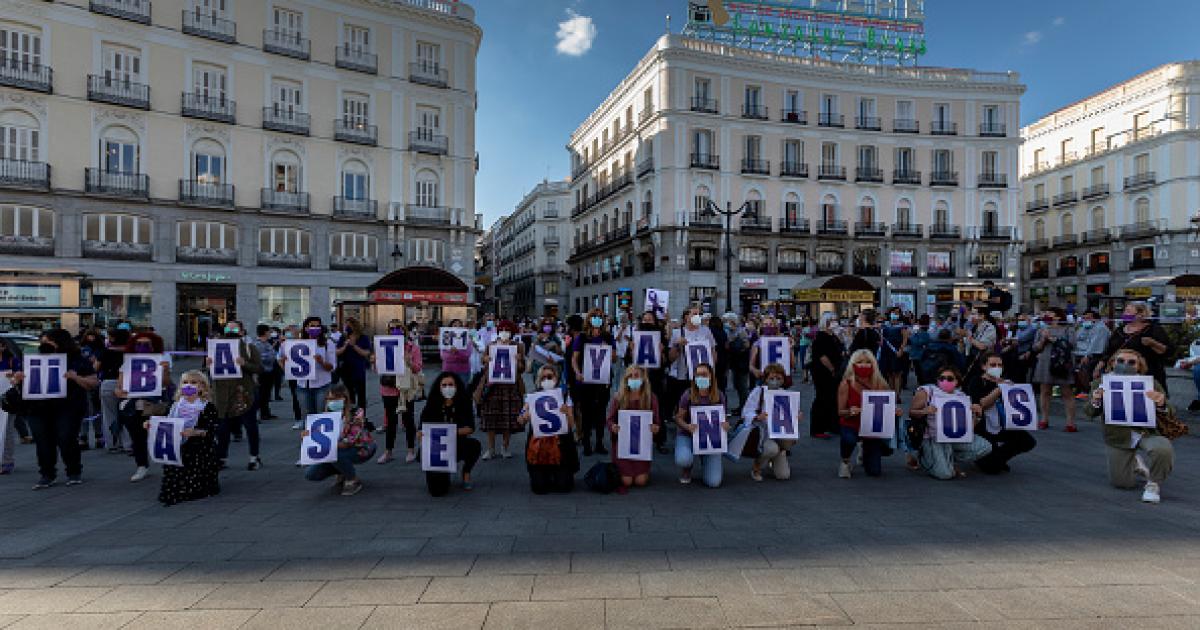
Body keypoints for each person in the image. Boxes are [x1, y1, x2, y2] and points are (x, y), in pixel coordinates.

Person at [1, 329, 98, 489]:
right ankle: (47, 474)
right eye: (42, 342)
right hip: (37, 407)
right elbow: (22, 383)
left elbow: (93, 382)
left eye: (48, 342)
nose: (44, 345)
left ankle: (73, 471)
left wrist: (75, 377)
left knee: (66, 438)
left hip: (67, 407)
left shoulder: (76, 360)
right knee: (43, 441)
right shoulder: (33, 359)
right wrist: (17, 379)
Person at [1084, 349, 1176, 503]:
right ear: (1112, 363)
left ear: (1139, 366)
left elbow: (1171, 411)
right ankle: (1135, 462)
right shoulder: (1100, 384)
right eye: (1120, 361)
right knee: (1122, 483)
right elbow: (1089, 412)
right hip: (1118, 437)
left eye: (1131, 362)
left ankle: (1153, 484)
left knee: (1163, 449)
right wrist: (1096, 400)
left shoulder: (1151, 383)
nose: (1125, 364)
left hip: (1147, 432)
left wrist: (1161, 403)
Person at [908, 365, 993, 480]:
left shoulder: (962, 397)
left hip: (954, 437)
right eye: (941, 378)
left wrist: (977, 416)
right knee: (945, 475)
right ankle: (922, 457)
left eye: (949, 378)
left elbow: (968, 429)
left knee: (985, 447)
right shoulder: (927, 391)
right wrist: (925, 411)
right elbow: (912, 412)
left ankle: (946, 460)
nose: (945, 381)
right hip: (933, 437)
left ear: (957, 381)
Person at [114, 332, 174, 483]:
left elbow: (167, 383)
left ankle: (168, 464)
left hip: (154, 403)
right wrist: (119, 391)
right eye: (139, 344)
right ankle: (142, 465)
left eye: (146, 344)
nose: (142, 347)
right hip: (133, 404)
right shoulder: (127, 362)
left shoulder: (162, 359)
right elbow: (120, 385)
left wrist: (164, 370)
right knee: (137, 436)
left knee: (159, 435)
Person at [157, 370, 221, 506]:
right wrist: (151, 425)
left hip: (199, 446)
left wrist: (195, 432)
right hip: (177, 444)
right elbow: (165, 422)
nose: (188, 386)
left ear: (202, 387)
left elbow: (212, 430)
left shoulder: (207, 407)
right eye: (185, 382)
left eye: (193, 382)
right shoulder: (175, 405)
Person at [206, 320, 264, 470]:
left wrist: (245, 364)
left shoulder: (248, 347)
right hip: (222, 395)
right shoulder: (214, 347)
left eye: (235, 327)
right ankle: (222, 457)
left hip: (243, 394)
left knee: (250, 426)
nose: (230, 329)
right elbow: (210, 373)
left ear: (242, 332)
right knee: (222, 429)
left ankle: (254, 456)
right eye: (228, 327)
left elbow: (259, 368)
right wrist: (208, 364)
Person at [967, 353, 1037, 474]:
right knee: (992, 469)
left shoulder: (1006, 382)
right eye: (993, 365)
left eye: (1000, 365)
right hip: (983, 428)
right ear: (984, 366)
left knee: (1027, 441)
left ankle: (998, 459)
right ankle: (988, 459)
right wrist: (999, 389)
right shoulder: (976, 381)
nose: (997, 367)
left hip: (1002, 425)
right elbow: (981, 404)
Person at [302, 384, 375, 496]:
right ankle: (342, 470)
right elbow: (318, 438)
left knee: (335, 452)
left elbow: (350, 441)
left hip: (361, 448)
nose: (333, 402)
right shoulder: (325, 416)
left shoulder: (356, 412)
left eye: (337, 398)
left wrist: (329, 444)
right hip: (337, 450)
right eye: (330, 399)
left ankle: (353, 479)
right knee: (311, 474)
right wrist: (308, 436)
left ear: (345, 398)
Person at [518, 365, 579, 494]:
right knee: (539, 489)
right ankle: (544, 474)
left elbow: (571, 426)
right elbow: (521, 417)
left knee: (564, 487)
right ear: (539, 380)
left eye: (550, 377)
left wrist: (567, 413)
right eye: (543, 377)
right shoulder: (533, 396)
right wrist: (524, 416)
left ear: (556, 378)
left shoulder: (564, 396)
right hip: (539, 447)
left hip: (561, 444)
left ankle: (559, 473)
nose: (546, 380)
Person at [836, 350, 897, 478]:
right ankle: (845, 461)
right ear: (853, 364)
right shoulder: (846, 384)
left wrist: (894, 410)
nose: (864, 365)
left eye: (868, 362)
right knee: (849, 439)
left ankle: (864, 449)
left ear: (873, 364)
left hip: (872, 428)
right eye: (860, 362)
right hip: (852, 424)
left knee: (874, 472)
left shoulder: (881, 384)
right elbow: (840, 412)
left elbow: (887, 406)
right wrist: (850, 411)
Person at [422, 373, 482, 496]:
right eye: (444, 385)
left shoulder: (464, 402)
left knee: (474, 446)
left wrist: (450, 432)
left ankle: (466, 473)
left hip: (457, 444)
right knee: (437, 492)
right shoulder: (432, 403)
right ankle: (443, 473)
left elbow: (470, 428)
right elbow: (421, 427)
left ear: (457, 386)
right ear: (439, 387)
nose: (447, 388)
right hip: (436, 450)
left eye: (450, 385)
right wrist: (420, 434)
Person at [664, 308, 717, 443]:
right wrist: (677, 345)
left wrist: (712, 368)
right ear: (686, 317)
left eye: (698, 314)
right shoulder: (678, 333)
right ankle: (683, 432)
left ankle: (701, 432)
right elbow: (670, 358)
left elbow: (713, 351)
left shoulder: (706, 331)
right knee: (683, 405)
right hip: (682, 376)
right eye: (694, 314)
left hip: (701, 376)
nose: (697, 316)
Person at [605, 365, 661, 493]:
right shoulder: (619, 397)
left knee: (640, 482)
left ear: (643, 379)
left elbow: (657, 422)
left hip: (641, 446)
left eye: (636, 376)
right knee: (627, 481)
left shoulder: (651, 398)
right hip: (622, 445)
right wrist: (613, 427)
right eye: (630, 376)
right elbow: (609, 419)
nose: (633, 378)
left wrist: (655, 428)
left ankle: (643, 471)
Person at [673, 362, 729, 487]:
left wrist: (725, 425)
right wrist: (687, 426)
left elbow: (723, 418)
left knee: (713, 482)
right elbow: (678, 418)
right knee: (683, 459)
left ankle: (706, 459)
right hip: (688, 435)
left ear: (711, 377)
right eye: (698, 375)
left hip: (710, 439)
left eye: (704, 374)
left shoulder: (719, 395)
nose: (701, 377)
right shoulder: (688, 395)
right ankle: (687, 468)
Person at [570, 309, 616, 456]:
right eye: (594, 317)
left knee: (601, 412)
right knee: (586, 412)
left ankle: (599, 442)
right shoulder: (582, 338)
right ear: (589, 319)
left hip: (602, 380)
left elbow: (614, 358)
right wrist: (577, 373)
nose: (597, 319)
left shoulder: (608, 337)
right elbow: (574, 359)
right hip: (585, 381)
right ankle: (587, 443)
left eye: (600, 317)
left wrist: (607, 348)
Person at [476, 320, 525, 459]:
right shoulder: (491, 346)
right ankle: (491, 448)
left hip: (511, 387)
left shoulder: (518, 347)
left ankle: (505, 447)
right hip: (492, 386)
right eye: (502, 329)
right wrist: (485, 359)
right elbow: (483, 362)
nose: (504, 332)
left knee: (507, 418)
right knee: (491, 418)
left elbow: (522, 369)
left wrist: (518, 361)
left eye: (507, 330)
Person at [740, 363, 797, 482]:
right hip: (764, 432)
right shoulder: (758, 392)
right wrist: (756, 416)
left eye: (778, 378)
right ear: (765, 379)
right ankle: (757, 466)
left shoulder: (785, 394)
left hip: (779, 433)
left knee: (783, 475)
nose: (775, 381)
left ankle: (777, 454)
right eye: (771, 378)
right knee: (771, 449)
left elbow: (789, 417)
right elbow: (745, 412)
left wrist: (796, 416)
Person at [1101, 302, 1173, 395]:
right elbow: (1109, 350)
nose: (1124, 314)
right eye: (1125, 311)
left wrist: (1153, 343)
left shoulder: (1153, 330)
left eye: (1128, 311)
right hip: (1119, 372)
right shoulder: (1119, 330)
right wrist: (1101, 364)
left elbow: (1169, 351)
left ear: (1140, 315)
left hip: (1147, 374)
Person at [377, 323, 423, 464]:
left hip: (406, 390)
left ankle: (410, 450)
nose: (395, 331)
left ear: (405, 331)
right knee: (391, 422)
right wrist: (374, 361)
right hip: (388, 389)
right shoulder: (383, 347)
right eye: (392, 329)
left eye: (399, 328)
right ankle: (388, 451)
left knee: (408, 420)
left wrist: (409, 362)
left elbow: (418, 368)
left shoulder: (412, 348)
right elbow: (378, 369)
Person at [286, 318, 338, 428]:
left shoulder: (328, 343)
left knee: (321, 415)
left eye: (317, 326)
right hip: (303, 385)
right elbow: (287, 362)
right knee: (307, 417)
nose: (315, 328)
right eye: (312, 326)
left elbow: (332, 367)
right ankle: (309, 442)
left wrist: (321, 362)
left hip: (322, 385)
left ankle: (322, 440)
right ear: (305, 328)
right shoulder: (298, 343)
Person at [1032, 308, 1077, 431]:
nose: (1047, 315)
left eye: (1050, 313)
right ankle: (1044, 419)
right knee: (1045, 391)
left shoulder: (1068, 328)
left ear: (1058, 317)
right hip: (1045, 362)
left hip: (1062, 363)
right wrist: (1043, 340)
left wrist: (1052, 338)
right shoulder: (1042, 329)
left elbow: (1072, 344)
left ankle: (1070, 422)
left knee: (1066, 392)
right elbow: (1035, 348)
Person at [95, 327, 131, 453]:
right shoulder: (131, 352)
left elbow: (96, 367)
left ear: (113, 338)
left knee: (109, 414)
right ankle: (128, 444)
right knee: (128, 413)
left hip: (108, 383)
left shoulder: (105, 352)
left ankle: (112, 444)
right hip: (128, 384)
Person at [808, 313, 843, 439]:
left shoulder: (833, 336)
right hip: (822, 372)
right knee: (822, 398)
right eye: (832, 320)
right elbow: (822, 356)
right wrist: (831, 368)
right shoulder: (821, 337)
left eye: (835, 320)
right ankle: (817, 428)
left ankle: (832, 425)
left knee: (833, 399)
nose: (834, 322)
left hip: (834, 371)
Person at [335, 318, 373, 412]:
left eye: (349, 325)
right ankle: (350, 414)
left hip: (358, 370)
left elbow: (366, 353)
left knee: (361, 394)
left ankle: (361, 416)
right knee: (348, 393)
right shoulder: (343, 337)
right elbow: (337, 352)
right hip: (346, 370)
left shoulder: (363, 338)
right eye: (345, 325)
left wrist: (354, 345)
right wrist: (345, 345)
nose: (347, 327)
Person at [1073, 310, 1110, 396]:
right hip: (1079, 353)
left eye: (1088, 318)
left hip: (1094, 354)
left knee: (1085, 371)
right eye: (1084, 318)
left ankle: (1086, 390)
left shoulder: (1101, 328)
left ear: (1096, 319)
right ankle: (1079, 388)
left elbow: (1095, 344)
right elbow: (1077, 338)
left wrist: (1087, 355)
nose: (1086, 320)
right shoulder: (1083, 327)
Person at [878, 308, 910, 397]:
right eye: (893, 312)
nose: (894, 314)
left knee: (897, 373)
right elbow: (881, 338)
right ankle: (891, 394)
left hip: (896, 350)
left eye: (896, 313)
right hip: (886, 351)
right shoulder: (885, 325)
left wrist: (901, 349)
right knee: (889, 373)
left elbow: (905, 339)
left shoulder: (902, 326)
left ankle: (897, 395)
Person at [252, 325, 278, 421]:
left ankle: (265, 412)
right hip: (262, 372)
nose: (270, 334)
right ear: (265, 332)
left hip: (269, 371)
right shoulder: (257, 344)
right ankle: (257, 414)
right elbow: (260, 358)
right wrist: (271, 356)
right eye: (269, 332)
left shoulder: (267, 343)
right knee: (261, 394)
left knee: (266, 394)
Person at [440, 318, 472, 385]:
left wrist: (456, 352)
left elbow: (467, 356)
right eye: (455, 325)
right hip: (448, 370)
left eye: (459, 325)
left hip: (463, 371)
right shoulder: (445, 338)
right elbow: (444, 357)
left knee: (462, 391)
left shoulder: (467, 340)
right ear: (450, 327)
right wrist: (457, 355)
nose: (457, 327)